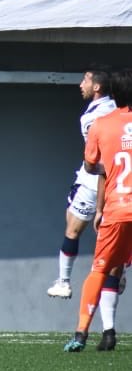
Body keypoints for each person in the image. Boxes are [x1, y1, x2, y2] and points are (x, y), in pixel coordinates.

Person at [64, 69, 132, 352]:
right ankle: (107, 333)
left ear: (111, 94)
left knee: (99, 269)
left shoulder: (102, 125)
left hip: (118, 209)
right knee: (113, 271)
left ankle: (81, 333)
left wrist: (100, 209)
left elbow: (95, 167)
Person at [48, 67, 117, 299]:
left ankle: (64, 281)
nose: (80, 84)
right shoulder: (117, 108)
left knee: (73, 229)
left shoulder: (92, 118)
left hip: (95, 180)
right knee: (112, 234)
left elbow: (95, 158)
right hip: (114, 180)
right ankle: (119, 272)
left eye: (85, 80)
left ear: (96, 87)